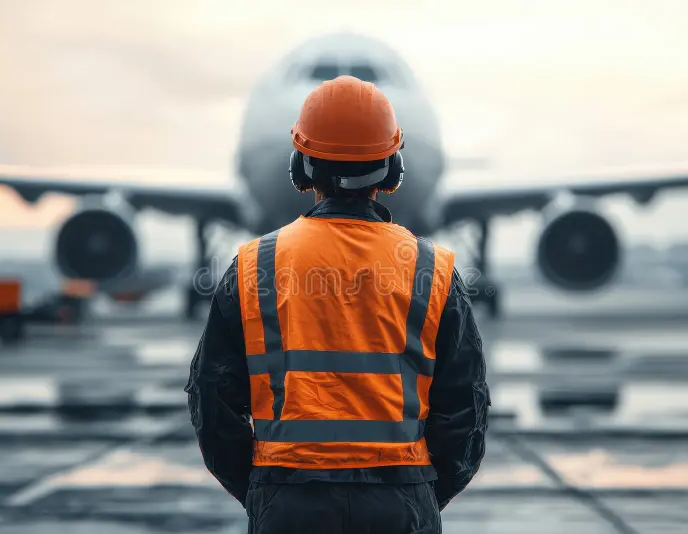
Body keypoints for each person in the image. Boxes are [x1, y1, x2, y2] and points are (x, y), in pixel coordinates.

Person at [185, 75, 490, 534]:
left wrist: (262, 491)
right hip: (401, 501)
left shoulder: (252, 266)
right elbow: (466, 408)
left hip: (287, 503)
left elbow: (212, 401)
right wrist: (421, 491)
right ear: (393, 169)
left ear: (300, 167)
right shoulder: (434, 270)